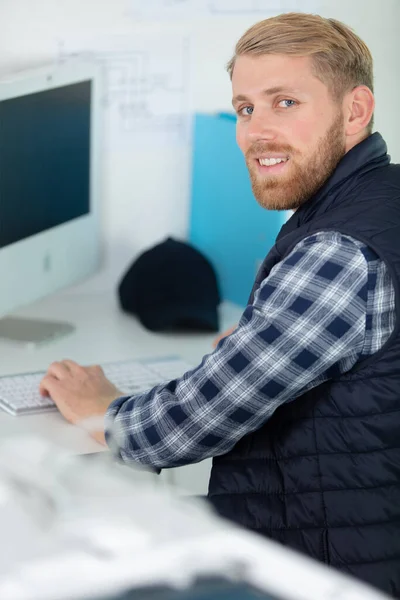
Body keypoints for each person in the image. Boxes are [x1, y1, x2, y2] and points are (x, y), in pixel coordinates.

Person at [39, 13, 400, 597]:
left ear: (355, 110)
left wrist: (104, 411)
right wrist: (264, 339)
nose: (257, 131)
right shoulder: (379, 200)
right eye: (246, 108)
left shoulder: (337, 252)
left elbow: (186, 427)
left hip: (319, 571)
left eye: (285, 102)